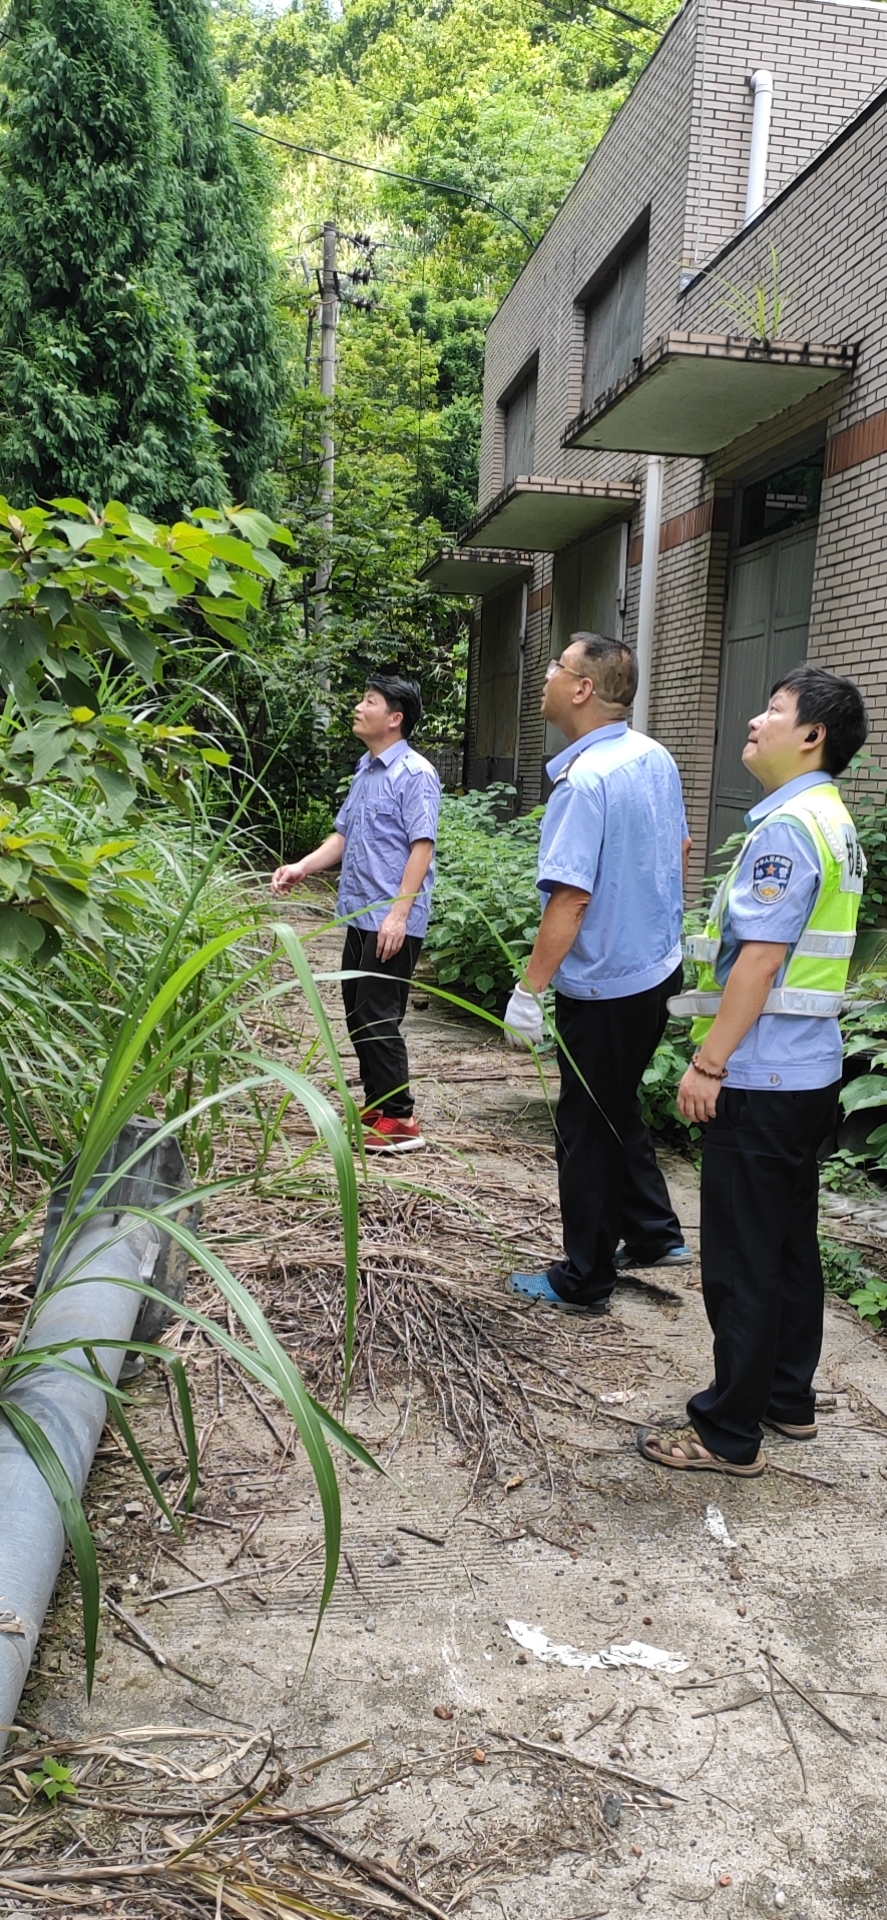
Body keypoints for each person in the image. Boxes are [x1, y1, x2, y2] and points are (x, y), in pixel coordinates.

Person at [637, 663, 868, 1478]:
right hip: (806, 1074)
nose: (754, 721)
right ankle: (784, 1399)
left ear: (811, 735)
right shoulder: (830, 819)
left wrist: (708, 1064)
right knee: (788, 1247)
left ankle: (727, 1433)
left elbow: (760, 961)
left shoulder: (786, 829)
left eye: (772, 710)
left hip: (761, 1076)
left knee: (741, 1261)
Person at [505, 631, 692, 1313]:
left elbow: (570, 898)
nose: (547, 676)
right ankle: (652, 1232)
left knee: (584, 1127)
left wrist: (529, 989)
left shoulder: (585, 782)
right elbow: (680, 846)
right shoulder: (652, 755)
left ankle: (583, 1278)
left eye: (557, 667)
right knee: (612, 1102)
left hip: (607, 982)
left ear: (583, 689)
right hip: (656, 966)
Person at [271, 670, 440, 1151]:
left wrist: (399, 915)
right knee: (357, 1012)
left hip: (392, 920)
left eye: (369, 701)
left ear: (395, 718)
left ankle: (401, 1119)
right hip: (359, 914)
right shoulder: (366, 771)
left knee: (377, 1015)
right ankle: (378, 1105)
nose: (358, 707)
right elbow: (343, 836)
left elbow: (422, 846)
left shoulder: (416, 774)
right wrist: (302, 867)